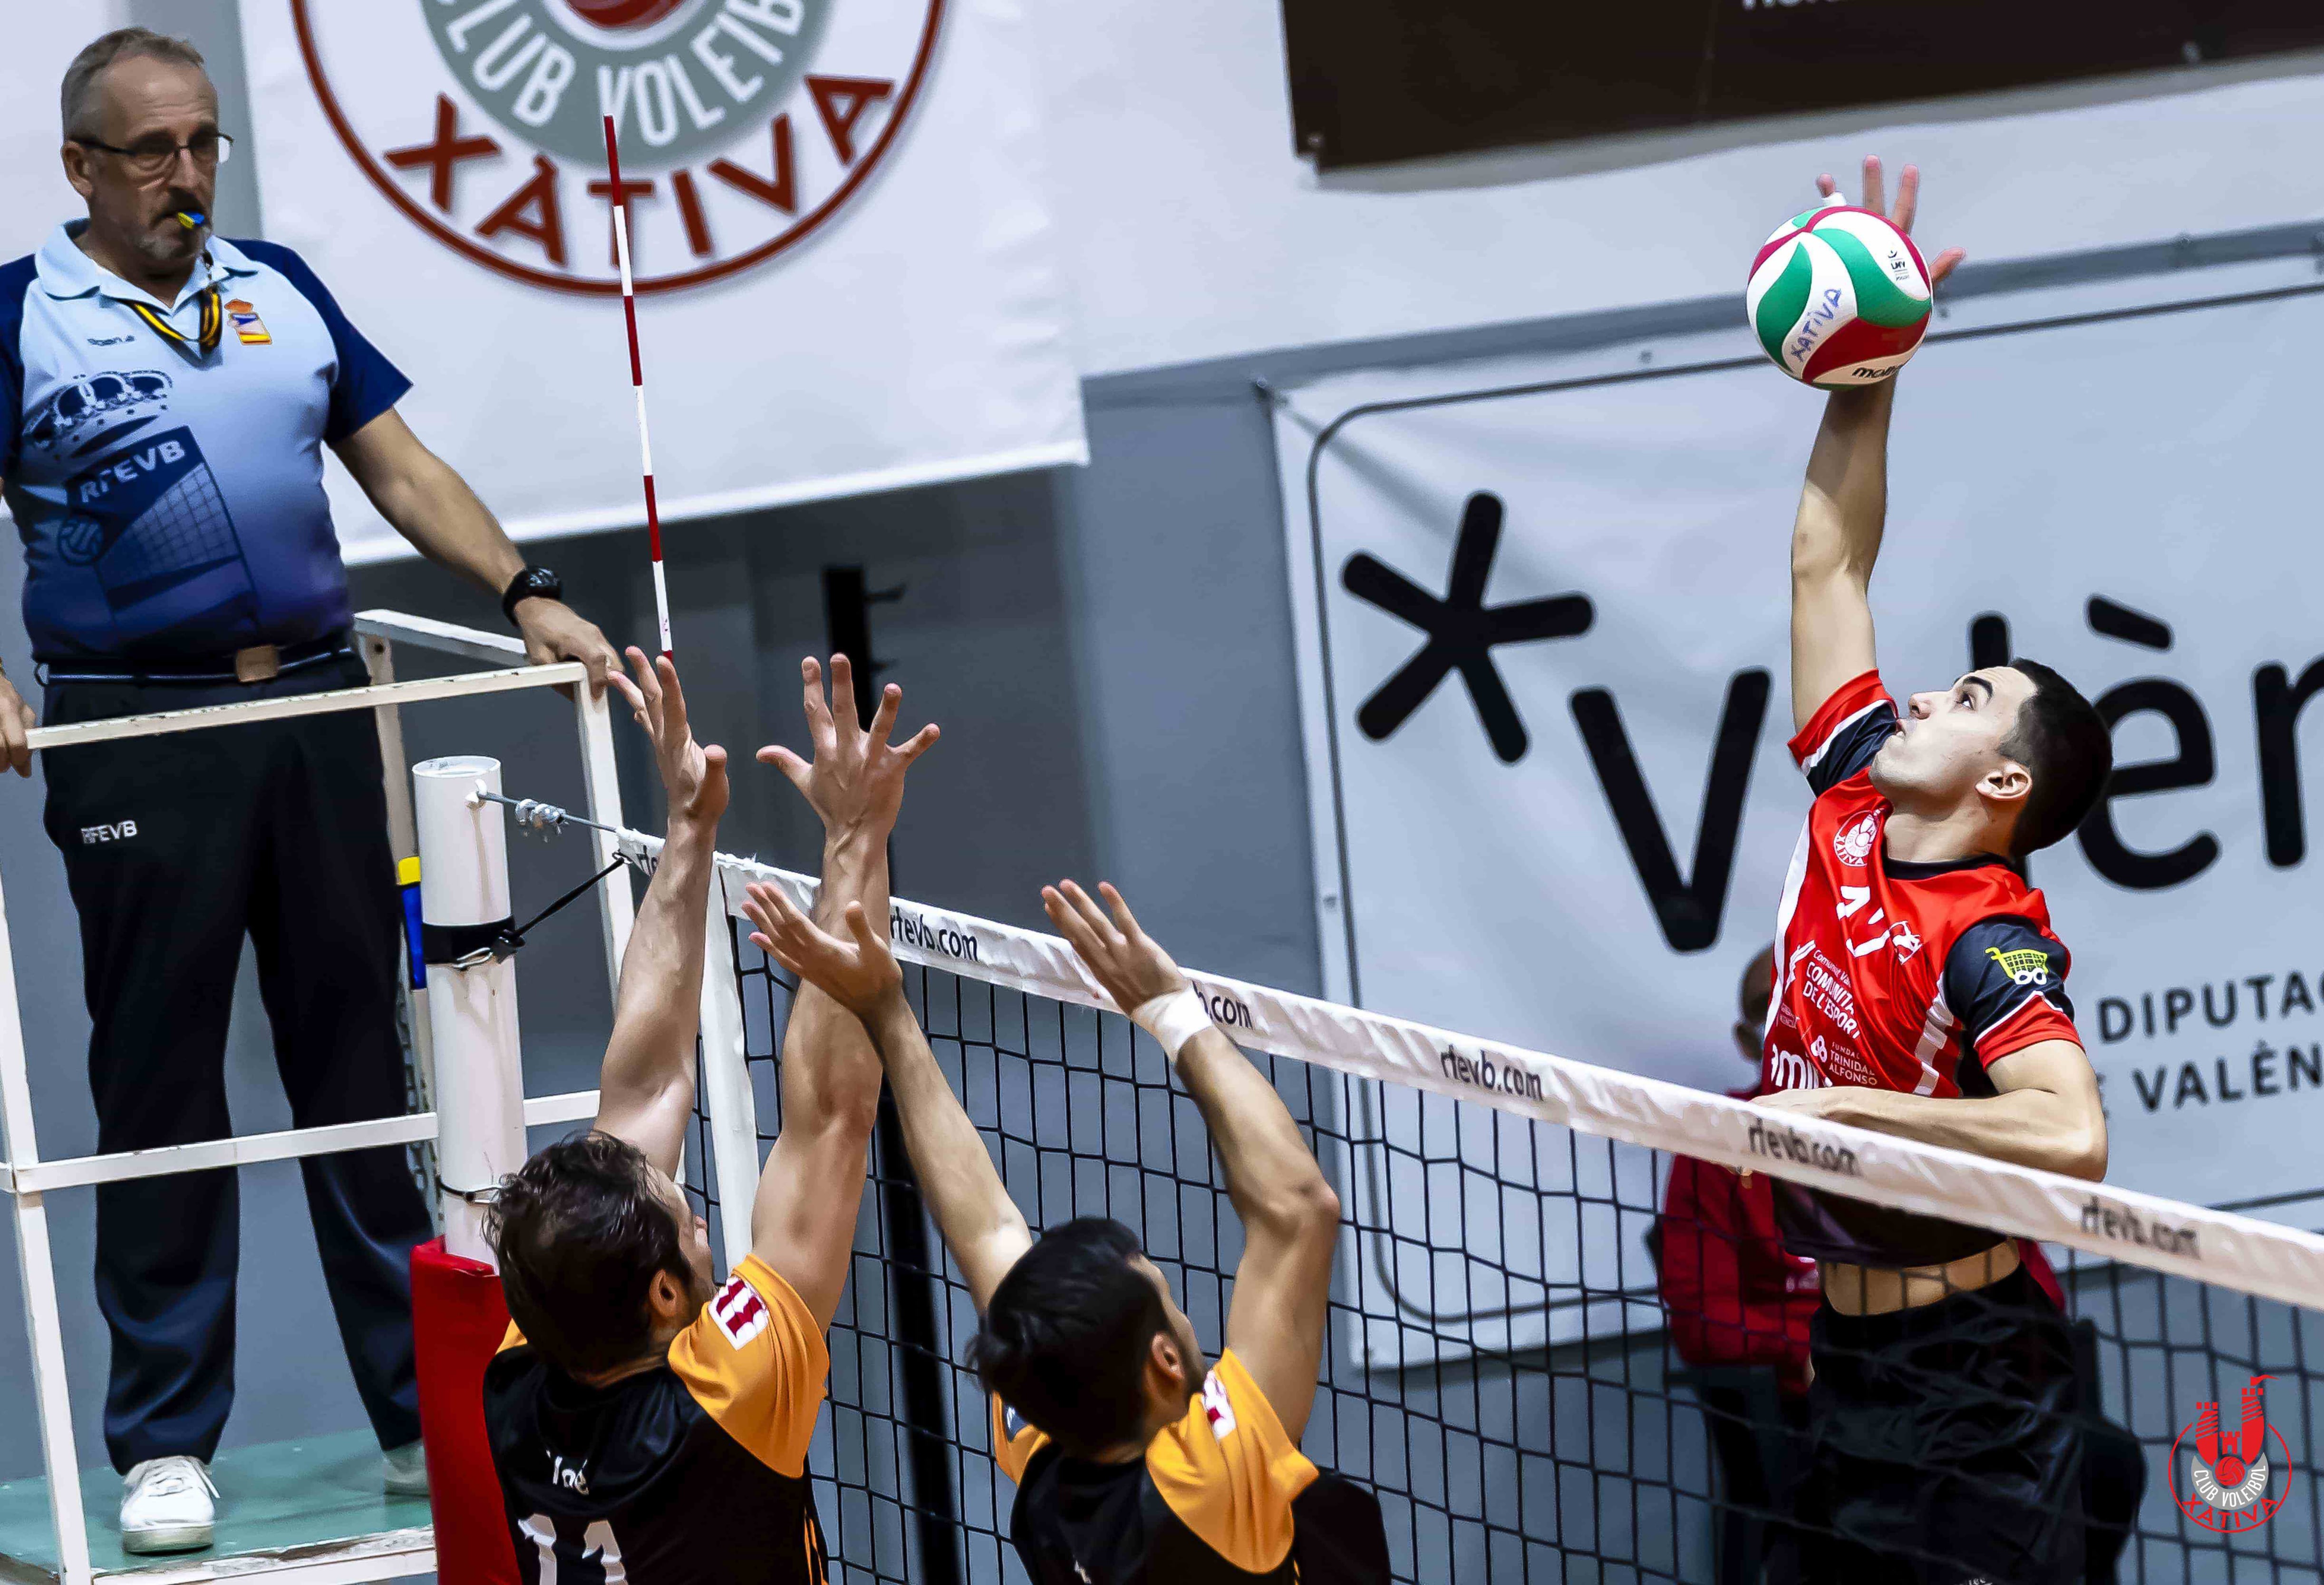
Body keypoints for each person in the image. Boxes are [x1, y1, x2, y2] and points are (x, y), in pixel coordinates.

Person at [0, 28, 619, 1552]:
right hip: (132, 727)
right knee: (160, 1083)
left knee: (362, 1062)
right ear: (79, 165)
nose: (186, 175)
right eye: (151, 151)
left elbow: (396, 465)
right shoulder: (21, 315)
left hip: (326, 705)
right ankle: (161, 1442)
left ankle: (423, 1406)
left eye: (203, 142)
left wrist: (525, 585)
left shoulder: (277, 287)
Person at [1749, 158, 2118, 1585]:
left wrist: (1856, 1111)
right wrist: (1872, 358)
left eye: (1966, 698)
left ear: (2005, 784)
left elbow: (2070, 1134)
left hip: (1971, 1384)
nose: (1924, 701)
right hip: (1839, 1356)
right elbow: (1828, 565)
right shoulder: (1848, 792)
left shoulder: (1994, 936)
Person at [743, 876, 1393, 1583]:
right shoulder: (1207, 1488)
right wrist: (1170, 1012)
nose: (1179, 1308)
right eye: (1165, 1296)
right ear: (1165, 1364)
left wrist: (888, 1011)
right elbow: (1300, 1208)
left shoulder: (1050, 1463)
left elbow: (989, 1228)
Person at [480, 648, 935, 1584]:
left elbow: (645, 1087)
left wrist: (689, 826)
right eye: (683, 1214)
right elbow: (832, 1116)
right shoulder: (724, 1396)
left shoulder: (527, 1370)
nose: (699, 1216)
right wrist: (855, 834)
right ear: (660, 1295)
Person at [1656, 949, 1819, 1583]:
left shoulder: (1908, 1118)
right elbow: (1702, 1323)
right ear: (1746, 1038)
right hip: (1798, 1410)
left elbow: (2025, 1278)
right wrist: (1812, 1348)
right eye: (1765, 1006)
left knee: (2103, 1461)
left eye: (1800, 997)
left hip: (1924, 1383)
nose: (1786, 1016)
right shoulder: (1714, 1142)